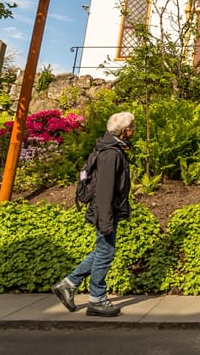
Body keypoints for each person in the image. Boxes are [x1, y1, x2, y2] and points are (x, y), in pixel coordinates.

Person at [52, 111, 135, 317]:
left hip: (105, 210)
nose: (134, 130)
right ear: (124, 131)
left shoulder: (111, 148)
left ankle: (68, 284)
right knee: (105, 253)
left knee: (101, 251)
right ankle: (97, 299)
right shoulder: (111, 154)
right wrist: (105, 220)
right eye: (133, 127)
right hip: (104, 211)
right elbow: (105, 190)